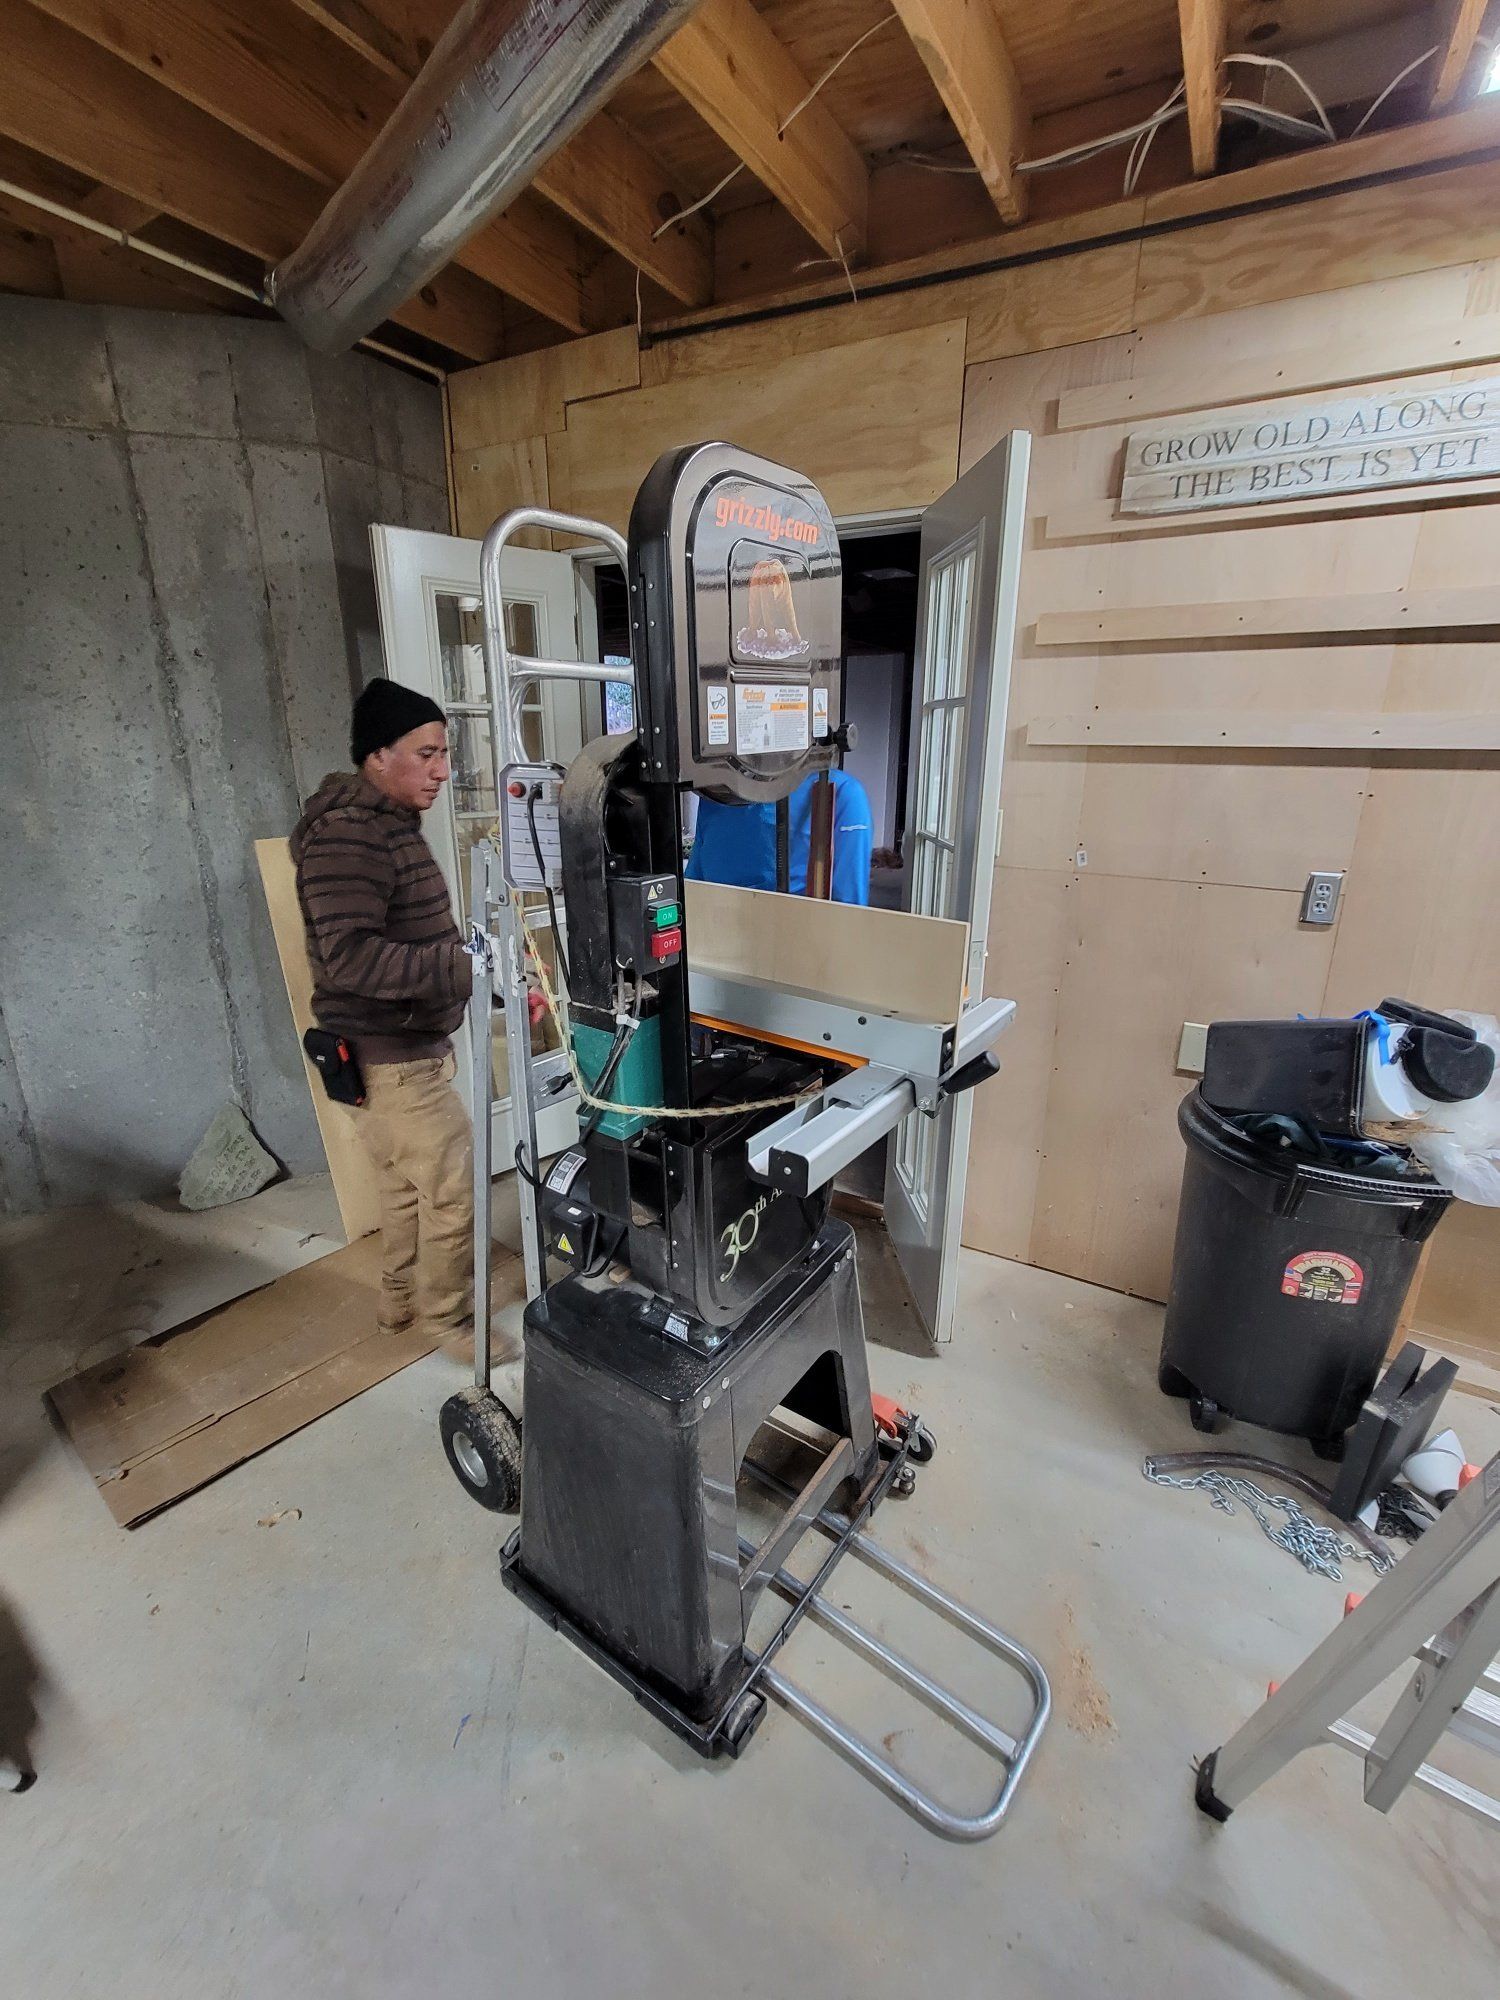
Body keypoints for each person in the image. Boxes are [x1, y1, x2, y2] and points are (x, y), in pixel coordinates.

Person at [292, 677, 474, 1345]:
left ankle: (398, 1302)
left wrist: (467, 966)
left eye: (443, 753)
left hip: (386, 1055)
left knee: (401, 1193)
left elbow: (401, 936)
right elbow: (351, 959)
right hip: (391, 1062)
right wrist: (459, 966)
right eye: (426, 753)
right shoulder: (351, 837)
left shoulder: (384, 827)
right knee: (451, 1194)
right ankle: (448, 1321)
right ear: (377, 755)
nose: (442, 770)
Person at [686, 765, 874, 904]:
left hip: (798, 940)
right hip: (718, 940)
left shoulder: (841, 794)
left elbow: (848, 910)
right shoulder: (717, 795)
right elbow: (693, 887)